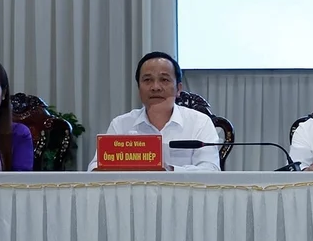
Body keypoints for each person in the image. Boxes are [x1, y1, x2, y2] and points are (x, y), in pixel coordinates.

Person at [88, 51, 221, 171]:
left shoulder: (200, 123)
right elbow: (94, 168)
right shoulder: (121, 125)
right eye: (147, 80)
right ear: (139, 88)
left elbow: (210, 169)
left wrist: (169, 170)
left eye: (164, 80)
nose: (155, 87)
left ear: (178, 89)